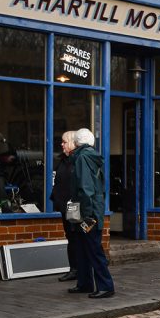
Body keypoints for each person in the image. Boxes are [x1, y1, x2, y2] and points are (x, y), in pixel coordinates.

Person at [68, 128, 115, 298]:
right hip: (91, 210)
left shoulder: (82, 158)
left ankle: (106, 286)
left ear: (77, 142)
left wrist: (87, 216)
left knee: (93, 249)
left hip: (87, 213)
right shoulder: (90, 156)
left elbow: (85, 188)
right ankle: (85, 283)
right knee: (82, 249)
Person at [50, 131, 79, 282]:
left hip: (75, 207)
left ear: (74, 143)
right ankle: (74, 269)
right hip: (64, 206)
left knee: (77, 237)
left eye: (64, 142)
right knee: (70, 237)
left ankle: (80, 269)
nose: (61, 144)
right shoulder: (62, 160)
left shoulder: (78, 161)